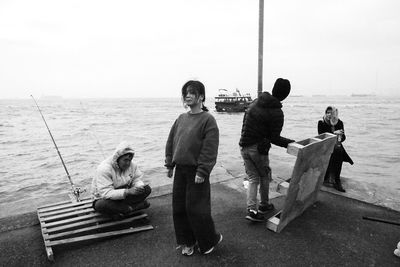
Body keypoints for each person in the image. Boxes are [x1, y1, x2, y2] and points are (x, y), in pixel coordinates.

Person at [165, 80, 222, 256]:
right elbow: (172, 141)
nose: (187, 96)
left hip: (197, 171)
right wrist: (169, 164)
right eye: (185, 93)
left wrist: (203, 171)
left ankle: (208, 241)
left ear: (201, 97)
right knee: (179, 208)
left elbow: (210, 148)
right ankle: (187, 242)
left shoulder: (208, 120)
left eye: (191, 92)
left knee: (197, 209)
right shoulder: (181, 118)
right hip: (180, 170)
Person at [239, 78, 295, 222]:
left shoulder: (257, 101)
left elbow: (245, 122)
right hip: (258, 149)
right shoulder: (277, 112)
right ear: (285, 94)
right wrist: (292, 143)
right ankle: (263, 205)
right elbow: (275, 138)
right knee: (264, 175)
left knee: (252, 177)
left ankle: (252, 209)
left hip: (244, 145)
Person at [91, 141, 151, 219]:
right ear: (118, 158)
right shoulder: (104, 169)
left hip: (123, 196)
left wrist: (139, 187)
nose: (128, 163)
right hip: (104, 198)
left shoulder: (132, 165)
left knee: (147, 189)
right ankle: (131, 208)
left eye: (130, 160)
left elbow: (136, 179)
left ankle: (122, 210)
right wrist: (127, 191)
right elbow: (106, 193)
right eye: (125, 160)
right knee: (100, 205)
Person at [318, 106, 353, 192]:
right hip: (325, 146)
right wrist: (334, 133)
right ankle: (332, 178)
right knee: (337, 152)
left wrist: (340, 136)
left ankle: (336, 180)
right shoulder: (321, 122)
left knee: (338, 151)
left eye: (331, 113)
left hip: (337, 145)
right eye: (327, 112)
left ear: (335, 114)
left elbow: (344, 137)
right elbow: (321, 137)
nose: (329, 114)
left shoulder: (339, 122)